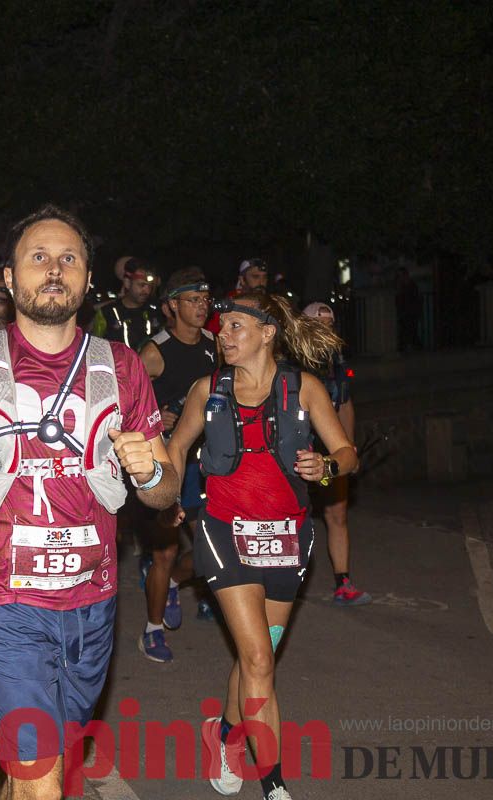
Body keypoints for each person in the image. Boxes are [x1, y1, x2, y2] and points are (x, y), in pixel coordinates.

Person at [0, 206, 178, 799]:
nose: (53, 269)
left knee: (39, 770)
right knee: (42, 773)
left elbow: (164, 490)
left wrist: (151, 472)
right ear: (11, 278)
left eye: (68, 258)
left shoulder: (121, 367)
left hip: (90, 601)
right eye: (37, 257)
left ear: (87, 278)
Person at [166, 289, 357, 800]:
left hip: (288, 537)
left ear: (267, 332)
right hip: (223, 530)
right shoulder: (208, 390)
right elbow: (178, 446)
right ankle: (273, 781)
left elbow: (346, 451)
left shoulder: (305, 388)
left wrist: (328, 467)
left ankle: (223, 732)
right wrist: (169, 495)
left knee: (258, 658)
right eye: (221, 328)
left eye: (234, 327)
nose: (222, 335)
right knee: (257, 661)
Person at [135, 268, 218, 662]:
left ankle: (171, 585)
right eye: (193, 300)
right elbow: (123, 399)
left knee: (211, 551)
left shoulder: (218, 346)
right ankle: (151, 631)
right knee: (165, 552)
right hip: (169, 459)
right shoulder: (155, 351)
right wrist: (156, 416)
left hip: (211, 461)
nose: (202, 306)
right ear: (172, 306)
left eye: (205, 300)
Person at [302, 302, 370, 606]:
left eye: (330, 324)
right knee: (294, 511)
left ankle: (343, 581)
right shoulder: (294, 361)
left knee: (337, 512)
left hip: (328, 448)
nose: (326, 330)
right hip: (300, 448)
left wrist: (348, 446)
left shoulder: (337, 359)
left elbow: (344, 403)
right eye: (320, 324)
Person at [89, 258, 163, 348]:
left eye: (150, 286)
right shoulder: (107, 313)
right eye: (141, 285)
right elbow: (93, 345)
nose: (147, 291)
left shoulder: (156, 312)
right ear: (127, 283)